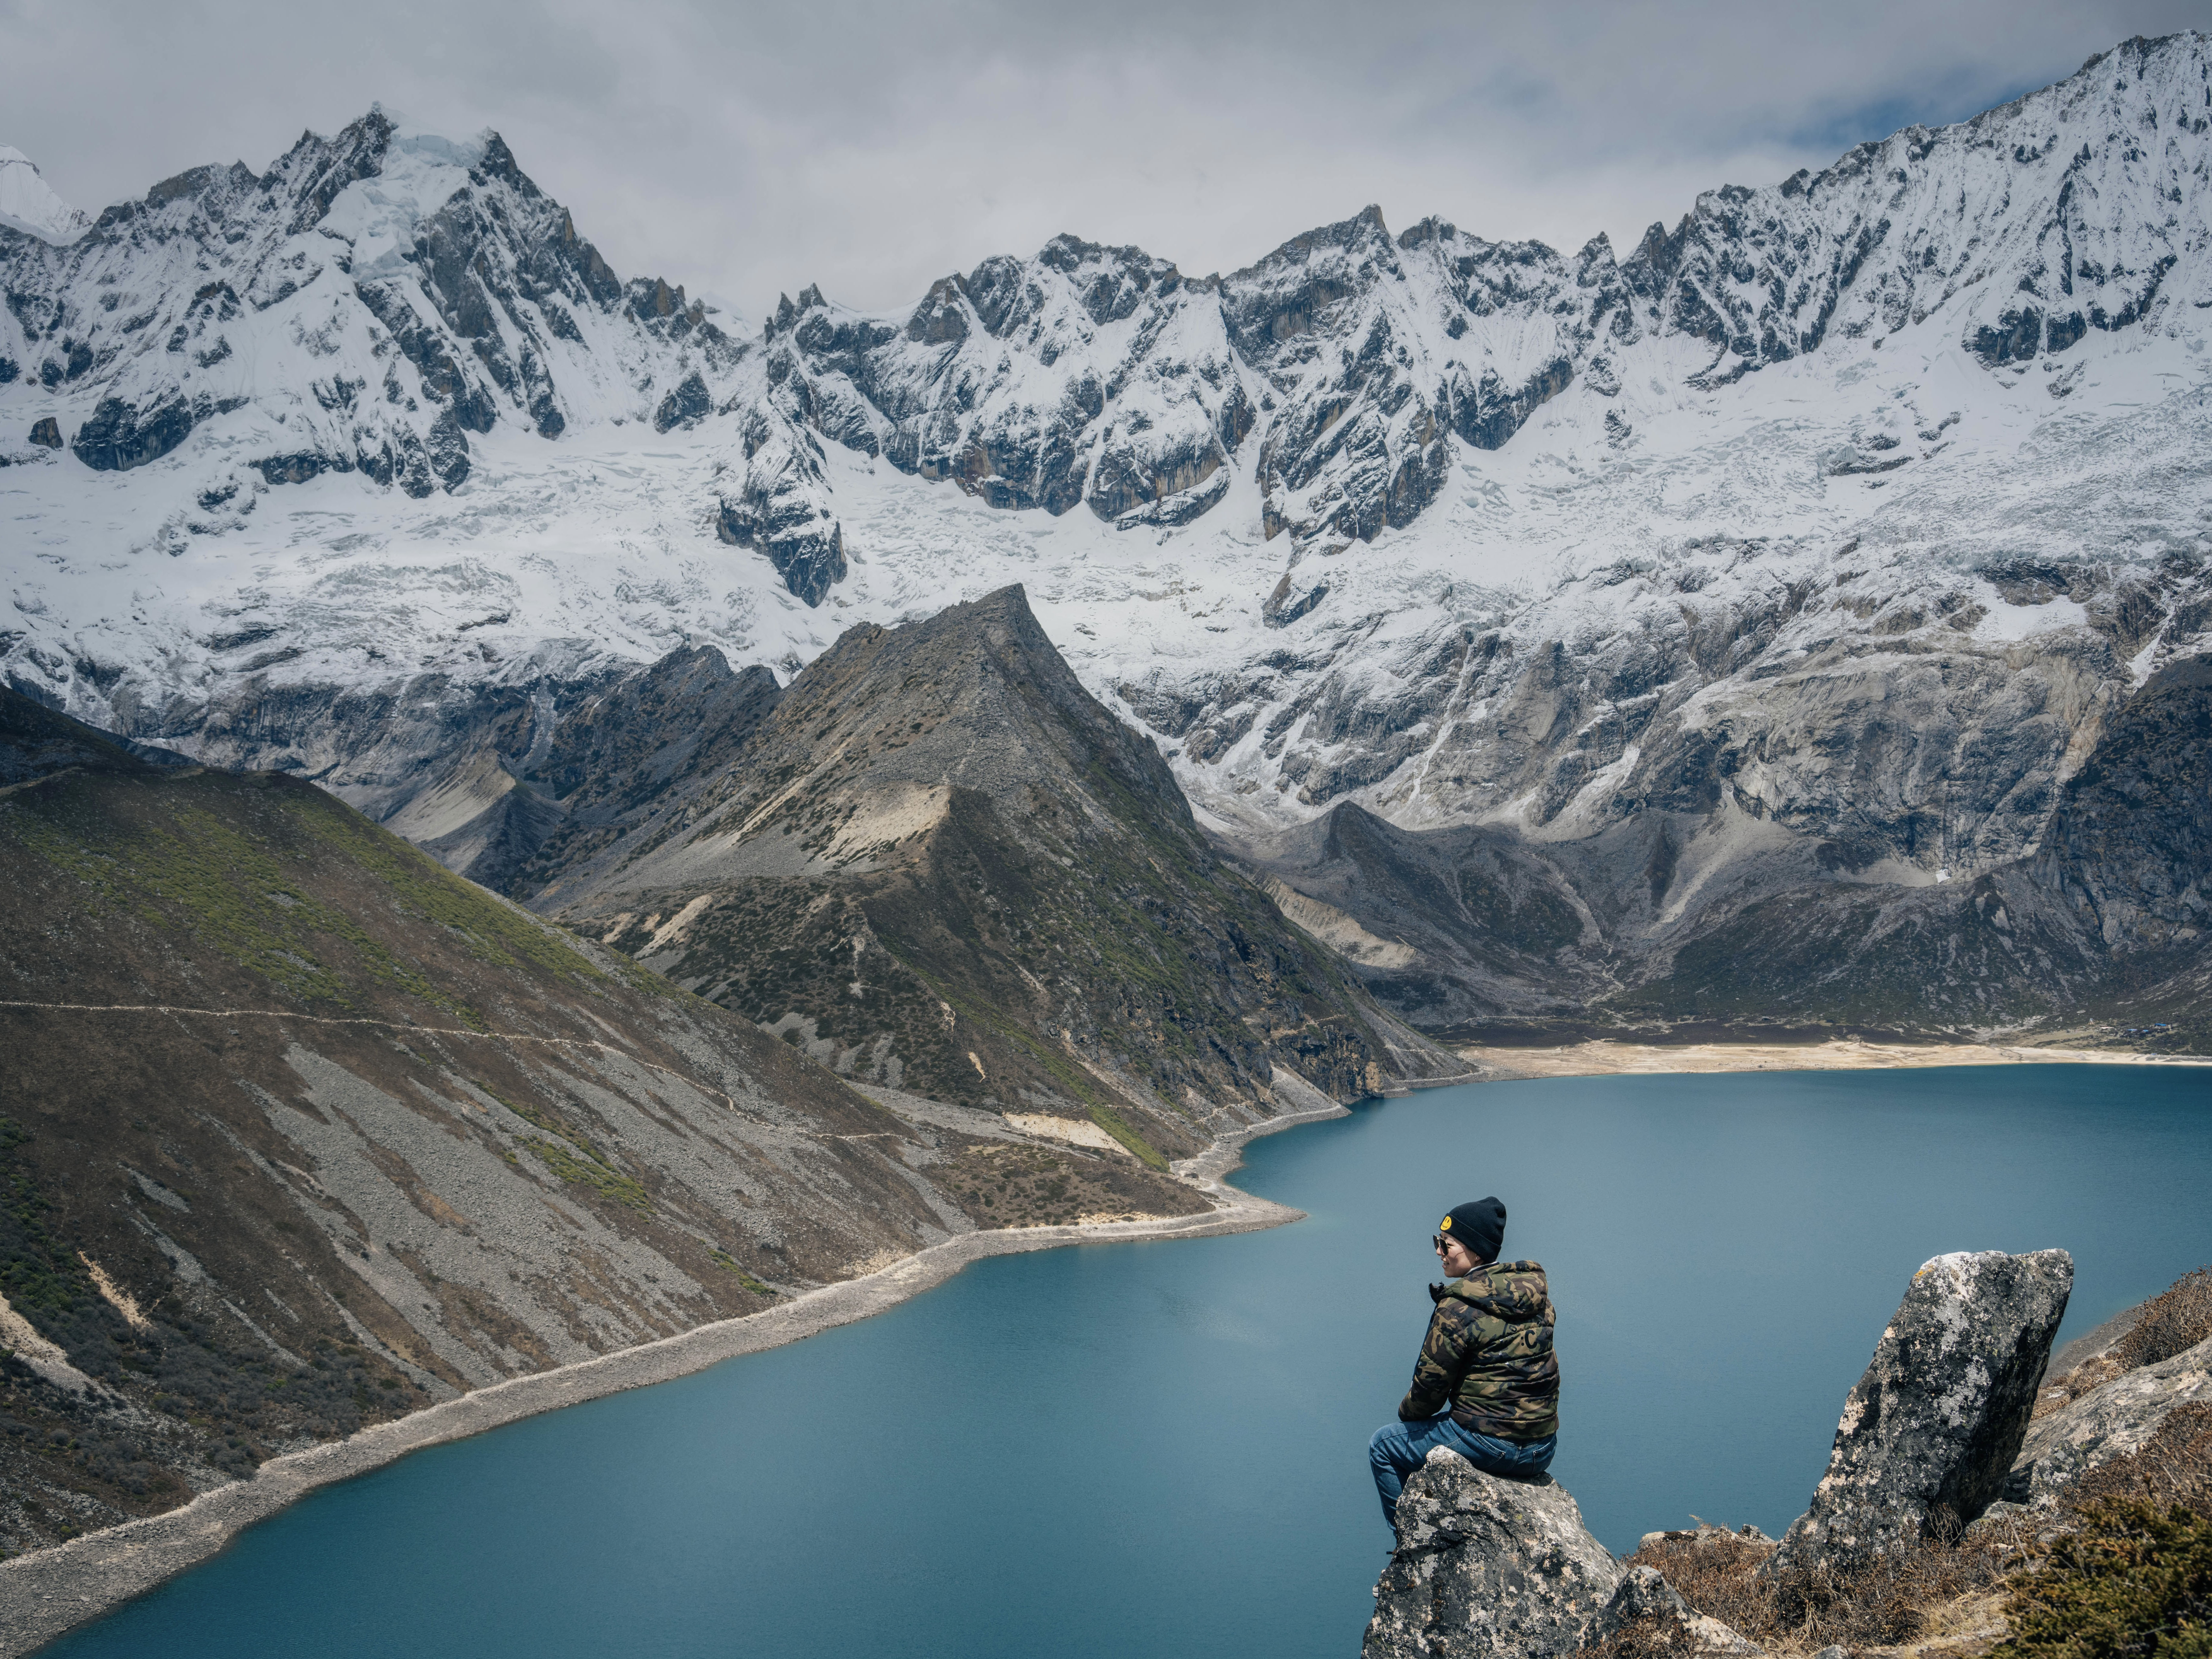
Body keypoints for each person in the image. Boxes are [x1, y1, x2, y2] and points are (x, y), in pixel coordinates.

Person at [1367, 1196, 1559, 1530]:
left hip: (1493, 1446)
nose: (1439, 1251)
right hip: (1542, 1448)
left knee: (1383, 1445)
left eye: (1447, 1244)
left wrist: (1406, 1417)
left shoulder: (1457, 1306)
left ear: (1476, 1250)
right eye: (1438, 1242)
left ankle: (1411, 1546)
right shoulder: (1537, 1299)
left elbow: (1428, 1394)